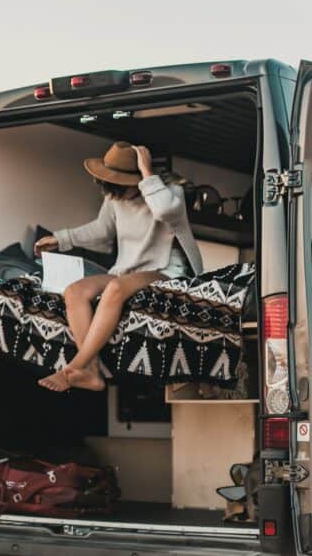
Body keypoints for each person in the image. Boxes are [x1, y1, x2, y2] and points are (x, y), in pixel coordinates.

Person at [33, 141, 203, 393]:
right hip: (129, 269)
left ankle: (74, 367)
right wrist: (61, 239)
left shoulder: (169, 193)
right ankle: (92, 371)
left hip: (168, 269)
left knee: (115, 288)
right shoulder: (115, 197)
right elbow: (101, 230)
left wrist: (147, 172)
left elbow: (164, 211)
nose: (114, 193)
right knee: (74, 291)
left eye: (120, 186)